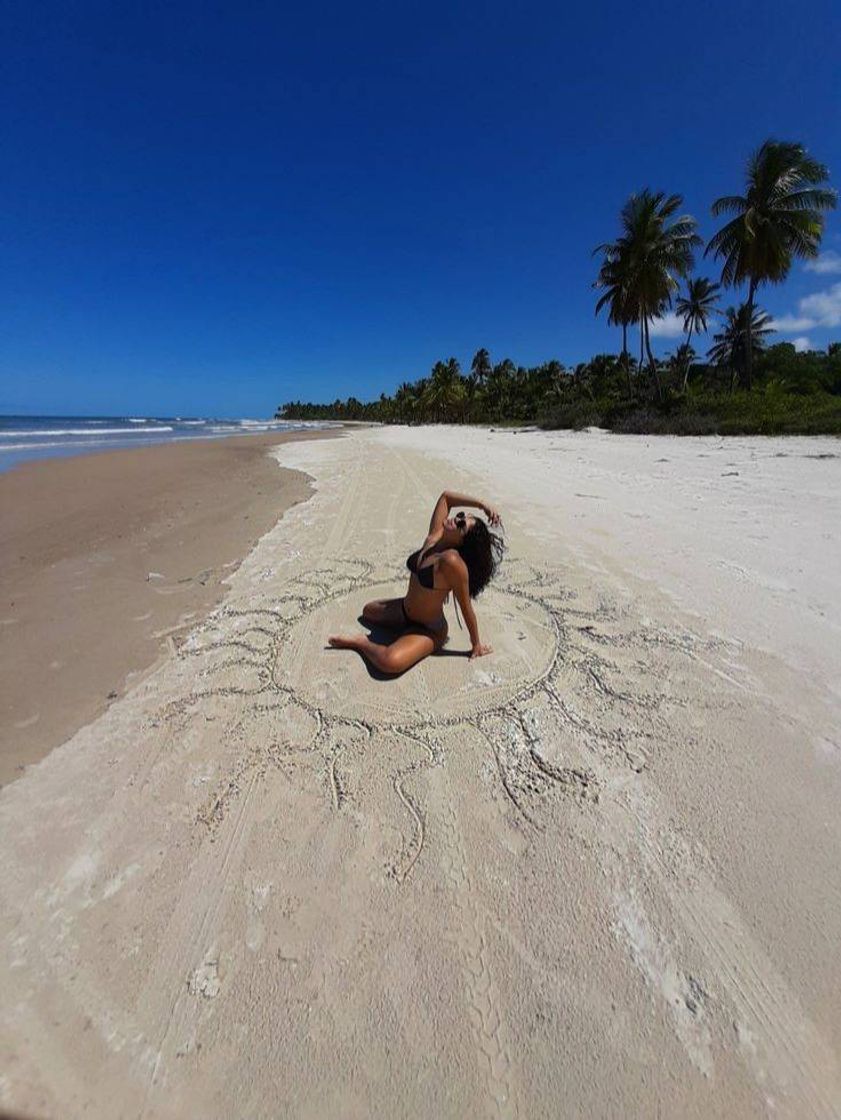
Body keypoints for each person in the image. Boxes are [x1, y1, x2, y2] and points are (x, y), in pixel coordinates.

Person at [328, 489, 504, 675]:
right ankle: (404, 630)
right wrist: (482, 504)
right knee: (367, 612)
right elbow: (446, 497)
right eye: (461, 516)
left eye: (461, 525)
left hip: (429, 628)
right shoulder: (435, 536)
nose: (456, 519)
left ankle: (361, 642)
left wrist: (476, 644)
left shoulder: (452, 562)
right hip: (405, 611)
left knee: (390, 663)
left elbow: (466, 607)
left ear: (462, 542)